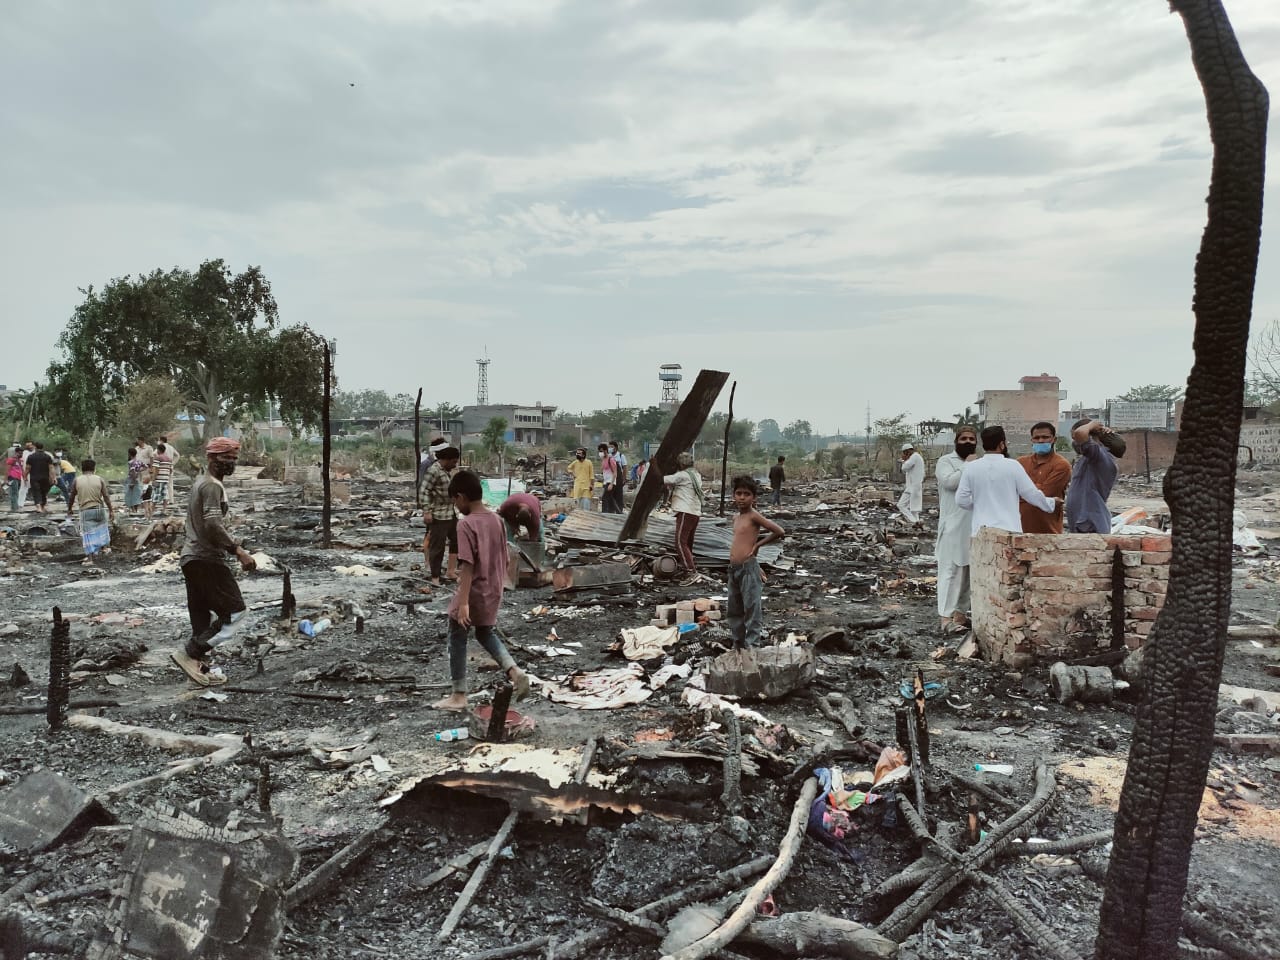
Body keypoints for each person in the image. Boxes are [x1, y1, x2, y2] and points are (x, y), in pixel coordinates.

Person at [431, 469, 530, 712]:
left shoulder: (466, 525)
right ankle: (514, 672)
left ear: (461, 496)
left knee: (457, 634)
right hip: (494, 587)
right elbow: (506, 558)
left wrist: (463, 602)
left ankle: (459, 694)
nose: (456, 505)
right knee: (485, 633)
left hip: (473, 590)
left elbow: (467, 565)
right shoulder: (496, 520)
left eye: (455, 500)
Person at [171, 438, 256, 686]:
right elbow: (213, 523)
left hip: (192, 558)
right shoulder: (211, 486)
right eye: (225, 458)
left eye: (233, 458)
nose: (231, 462)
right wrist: (238, 550)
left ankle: (198, 669)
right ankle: (190, 653)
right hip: (206, 558)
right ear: (211, 458)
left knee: (201, 618)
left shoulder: (203, 483)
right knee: (235, 612)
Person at [956, 426, 1060, 535]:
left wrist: (979, 505)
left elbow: (961, 500)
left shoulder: (971, 467)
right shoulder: (1013, 466)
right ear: (1002, 444)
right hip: (1008, 530)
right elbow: (1030, 494)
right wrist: (1051, 503)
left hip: (980, 531)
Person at [727, 476, 785, 648]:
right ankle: (738, 645)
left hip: (748, 568)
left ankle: (752, 647)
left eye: (747, 494)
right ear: (734, 495)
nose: (742, 497)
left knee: (752, 609)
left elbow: (779, 531)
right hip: (733, 570)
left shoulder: (754, 516)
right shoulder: (736, 518)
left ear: (754, 498)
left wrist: (758, 545)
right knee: (734, 610)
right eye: (739, 493)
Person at [936, 427, 979, 632]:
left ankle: (960, 616)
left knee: (969, 573)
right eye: (963, 439)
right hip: (952, 526)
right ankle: (945, 619)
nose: (968, 442)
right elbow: (950, 482)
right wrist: (968, 466)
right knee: (950, 572)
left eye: (972, 439)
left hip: (974, 526)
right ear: (956, 441)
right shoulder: (946, 461)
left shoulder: (979, 463)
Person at [1066, 418, 1122, 533]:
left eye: (1075, 439)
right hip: (1081, 524)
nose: (1075, 443)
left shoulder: (1100, 456)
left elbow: (1080, 433)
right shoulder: (1087, 459)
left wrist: (1093, 424)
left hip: (1091, 524)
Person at [1015, 422, 1071, 534]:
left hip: (1048, 531)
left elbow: (1046, 493)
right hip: (1019, 529)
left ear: (1054, 439)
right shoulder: (1020, 463)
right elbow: (1009, 491)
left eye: (1045, 437)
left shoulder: (1061, 465)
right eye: (1036, 437)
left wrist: (1021, 490)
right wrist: (1033, 492)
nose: (1040, 440)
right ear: (1032, 440)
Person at [421, 446, 461, 586]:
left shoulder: (446, 471)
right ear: (447, 460)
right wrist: (427, 511)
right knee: (437, 546)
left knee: (457, 540)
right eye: (454, 461)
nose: (455, 464)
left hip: (450, 512)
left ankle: (451, 570)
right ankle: (435, 577)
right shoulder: (434, 471)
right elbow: (424, 490)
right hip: (438, 514)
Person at [664, 452, 705, 585]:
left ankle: (690, 571)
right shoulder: (696, 475)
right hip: (695, 512)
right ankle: (687, 566)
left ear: (681, 464)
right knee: (688, 542)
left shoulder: (682, 475)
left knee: (680, 542)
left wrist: (653, 466)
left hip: (685, 511)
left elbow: (662, 479)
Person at [67, 458, 115, 565]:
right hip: (99, 509)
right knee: (102, 530)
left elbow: (71, 496)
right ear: (94, 468)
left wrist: (69, 509)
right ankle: (105, 549)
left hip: (85, 511)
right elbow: (106, 496)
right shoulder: (99, 479)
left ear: (82, 469)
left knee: (87, 535)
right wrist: (111, 510)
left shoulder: (77, 480)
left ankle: (90, 559)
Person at [23, 442, 55, 514]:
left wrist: (25, 477)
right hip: (45, 477)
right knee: (43, 492)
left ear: (35, 447)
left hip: (34, 477)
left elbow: (28, 468)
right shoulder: (47, 456)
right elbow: (51, 468)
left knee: (36, 492)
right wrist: (53, 477)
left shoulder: (31, 456)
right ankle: (42, 507)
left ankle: (38, 507)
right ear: (43, 447)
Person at [898, 442, 925, 525]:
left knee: (901, 505)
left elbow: (904, 467)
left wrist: (903, 461)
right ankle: (918, 525)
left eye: (905, 453)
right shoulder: (917, 457)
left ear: (907, 451)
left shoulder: (914, 457)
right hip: (916, 486)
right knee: (914, 509)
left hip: (912, 487)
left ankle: (914, 522)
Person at [567, 447, 594, 512]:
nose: (577, 454)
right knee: (577, 506)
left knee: (586, 506)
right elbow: (568, 468)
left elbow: (591, 475)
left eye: (579, 453)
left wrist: (592, 485)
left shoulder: (589, 462)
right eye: (577, 453)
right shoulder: (575, 462)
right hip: (577, 486)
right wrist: (573, 475)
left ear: (583, 455)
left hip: (586, 487)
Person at [123, 447, 147, 517]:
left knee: (129, 495)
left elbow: (133, 472)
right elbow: (146, 467)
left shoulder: (131, 462)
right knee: (137, 495)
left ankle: (133, 510)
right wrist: (139, 471)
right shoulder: (139, 461)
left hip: (131, 479)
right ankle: (135, 510)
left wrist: (132, 482)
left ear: (129, 454)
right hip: (138, 479)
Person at [151, 442, 174, 514]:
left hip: (159, 478)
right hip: (165, 479)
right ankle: (164, 509)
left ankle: (152, 510)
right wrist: (167, 475)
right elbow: (170, 470)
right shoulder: (169, 459)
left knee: (155, 494)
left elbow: (156, 469)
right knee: (165, 494)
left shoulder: (158, 458)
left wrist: (153, 479)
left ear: (159, 450)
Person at [597, 443, 619, 514]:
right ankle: (618, 512)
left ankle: (604, 513)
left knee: (604, 498)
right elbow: (603, 471)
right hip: (606, 482)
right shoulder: (603, 460)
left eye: (601, 451)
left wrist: (611, 484)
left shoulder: (611, 459)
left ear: (606, 451)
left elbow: (615, 472)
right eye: (599, 451)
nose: (600, 453)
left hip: (610, 482)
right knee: (611, 499)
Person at [608, 441, 628, 511]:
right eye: (609, 447)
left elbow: (625, 468)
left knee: (619, 495)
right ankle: (611, 511)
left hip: (619, 479)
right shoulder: (609, 456)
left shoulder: (621, 456)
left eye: (611, 447)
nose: (610, 448)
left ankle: (619, 511)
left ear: (615, 448)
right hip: (610, 479)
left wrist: (624, 479)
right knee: (610, 495)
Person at [15, 440, 33, 511]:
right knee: (23, 488)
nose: (29, 447)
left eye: (30, 445)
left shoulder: (35, 453)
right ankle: (20, 504)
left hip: (34, 473)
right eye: (27, 446)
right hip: (25, 472)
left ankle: (40, 503)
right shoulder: (24, 453)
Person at [6, 445, 24, 513]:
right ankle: (14, 508)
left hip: (18, 478)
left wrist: (24, 477)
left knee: (16, 492)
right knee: (14, 493)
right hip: (12, 477)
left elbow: (21, 469)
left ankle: (15, 506)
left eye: (22, 453)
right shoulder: (12, 459)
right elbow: (8, 469)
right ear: (16, 452)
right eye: (19, 453)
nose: (21, 454)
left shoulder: (20, 460)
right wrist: (6, 479)